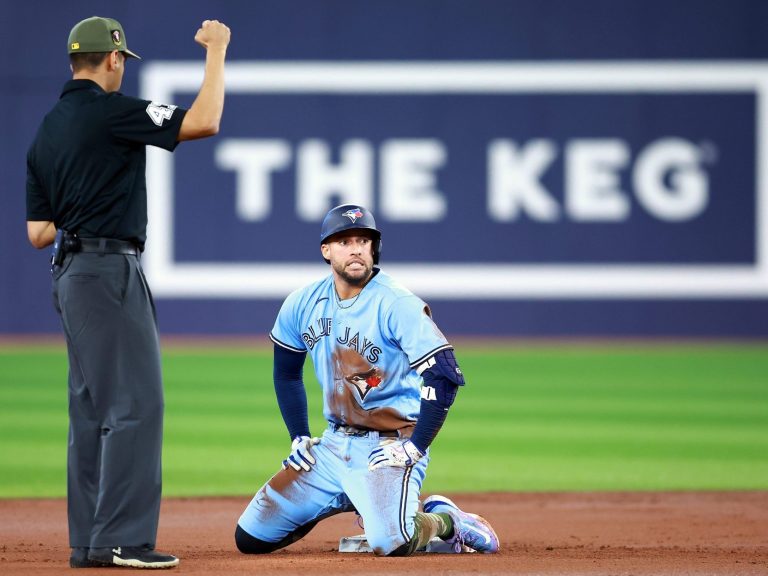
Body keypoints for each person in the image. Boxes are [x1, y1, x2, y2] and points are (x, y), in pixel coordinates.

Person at [25, 16, 230, 569]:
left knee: (92, 412)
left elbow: (38, 233)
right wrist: (216, 50)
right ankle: (123, 541)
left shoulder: (47, 130)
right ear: (113, 59)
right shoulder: (114, 112)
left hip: (68, 274)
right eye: (122, 60)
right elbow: (205, 121)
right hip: (107, 271)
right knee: (137, 405)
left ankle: (90, 543)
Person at [235, 204, 500, 556]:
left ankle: (448, 521)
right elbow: (286, 373)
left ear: (374, 249)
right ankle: (358, 496)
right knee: (251, 538)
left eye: (364, 240)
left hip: (389, 445)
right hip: (332, 447)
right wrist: (299, 435)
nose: (356, 248)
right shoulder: (302, 303)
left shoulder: (397, 303)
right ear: (326, 251)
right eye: (344, 241)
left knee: (393, 542)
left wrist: (416, 446)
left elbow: (444, 374)